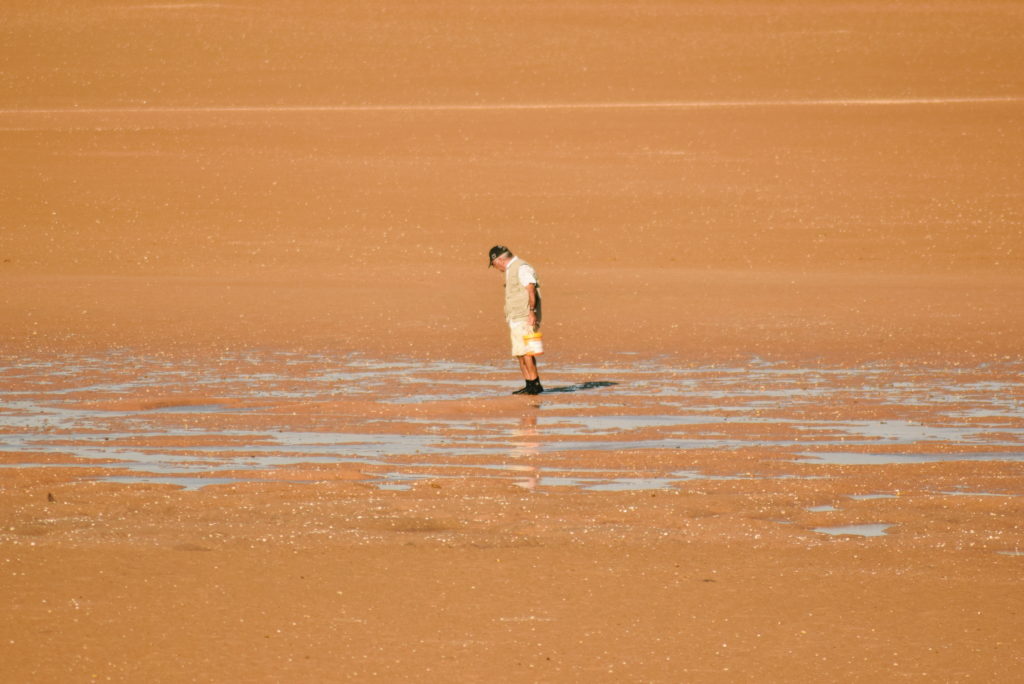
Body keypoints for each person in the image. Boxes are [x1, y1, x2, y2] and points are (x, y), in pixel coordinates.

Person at [488, 245, 543, 395]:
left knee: (526, 352)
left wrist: (532, 312)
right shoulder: (512, 269)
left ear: (499, 260)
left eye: (493, 265)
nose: (495, 268)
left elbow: (531, 290)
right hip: (515, 316)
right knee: (520, 352)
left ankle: (535, 384)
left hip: (524, 317)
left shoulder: (521, 268)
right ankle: (529, 383)